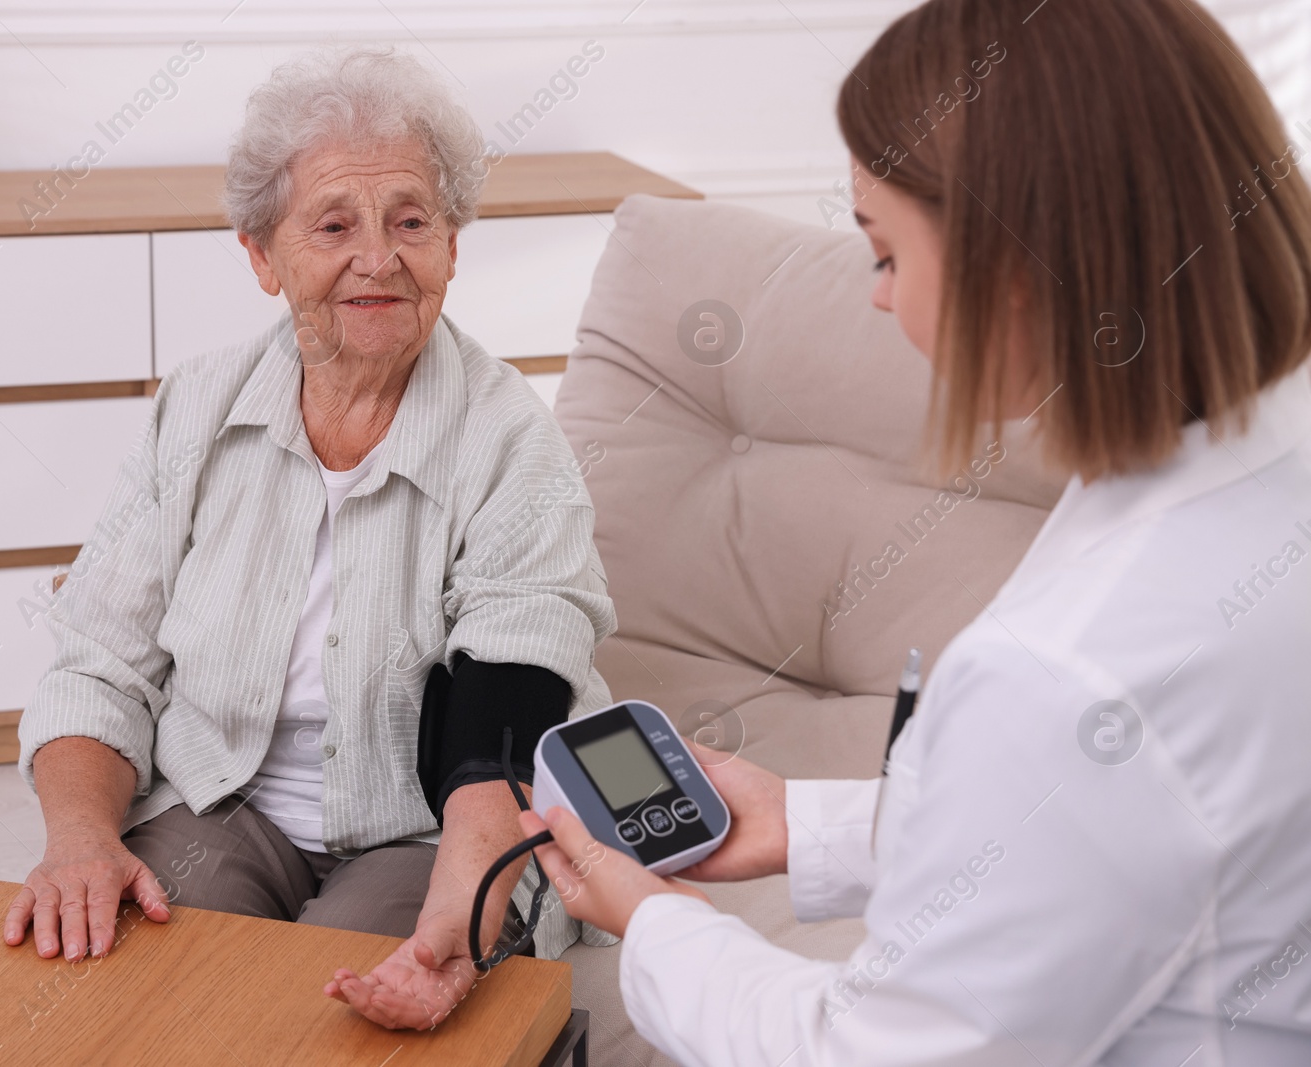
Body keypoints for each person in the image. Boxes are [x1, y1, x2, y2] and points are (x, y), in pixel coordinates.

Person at [523, 0, 1311, 1062]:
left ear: (1018, 272)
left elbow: (873, 1051)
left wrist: (649, 919)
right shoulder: (1250, 459)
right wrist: (812, 825)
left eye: (886, 253)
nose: (879, 301)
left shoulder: (1064, 673)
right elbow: (1110, 840)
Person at [5, 47, 616, 1030]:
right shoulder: (195, 410)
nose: (377, 257)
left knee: (330, 1020)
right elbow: (100, 662)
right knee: (129, 998)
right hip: (219, 804)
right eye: (333, 224)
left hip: (427, 829)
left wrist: (463, 908)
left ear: (453, 244)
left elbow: (506, 696)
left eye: (411, 220)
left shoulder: (509, 435)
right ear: (260, 254)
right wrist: (79, 836)